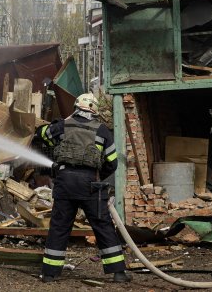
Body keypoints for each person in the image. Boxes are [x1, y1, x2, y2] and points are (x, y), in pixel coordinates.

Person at [37, 93, 130, 283]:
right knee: (103, 226)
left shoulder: (63, 125)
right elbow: (112, 162)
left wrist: (51, 128)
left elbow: (43, 136)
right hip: (91, 185)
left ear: (76, 107)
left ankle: (49, 274)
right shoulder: (102, 131)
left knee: (60, 227)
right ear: (94, 111)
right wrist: (98, 176)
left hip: (65, 183)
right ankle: (118, 272)